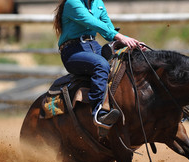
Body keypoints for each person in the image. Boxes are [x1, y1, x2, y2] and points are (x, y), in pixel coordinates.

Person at [53, 0, 144, 129]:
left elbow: (109, 29)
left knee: (129, 57)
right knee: (101, 65)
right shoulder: (72, 2)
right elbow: (91, 22)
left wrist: (131, 43)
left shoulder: (98, 3)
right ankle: (98, 112)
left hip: (94, 47)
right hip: (73, 51)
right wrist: (121, 37)